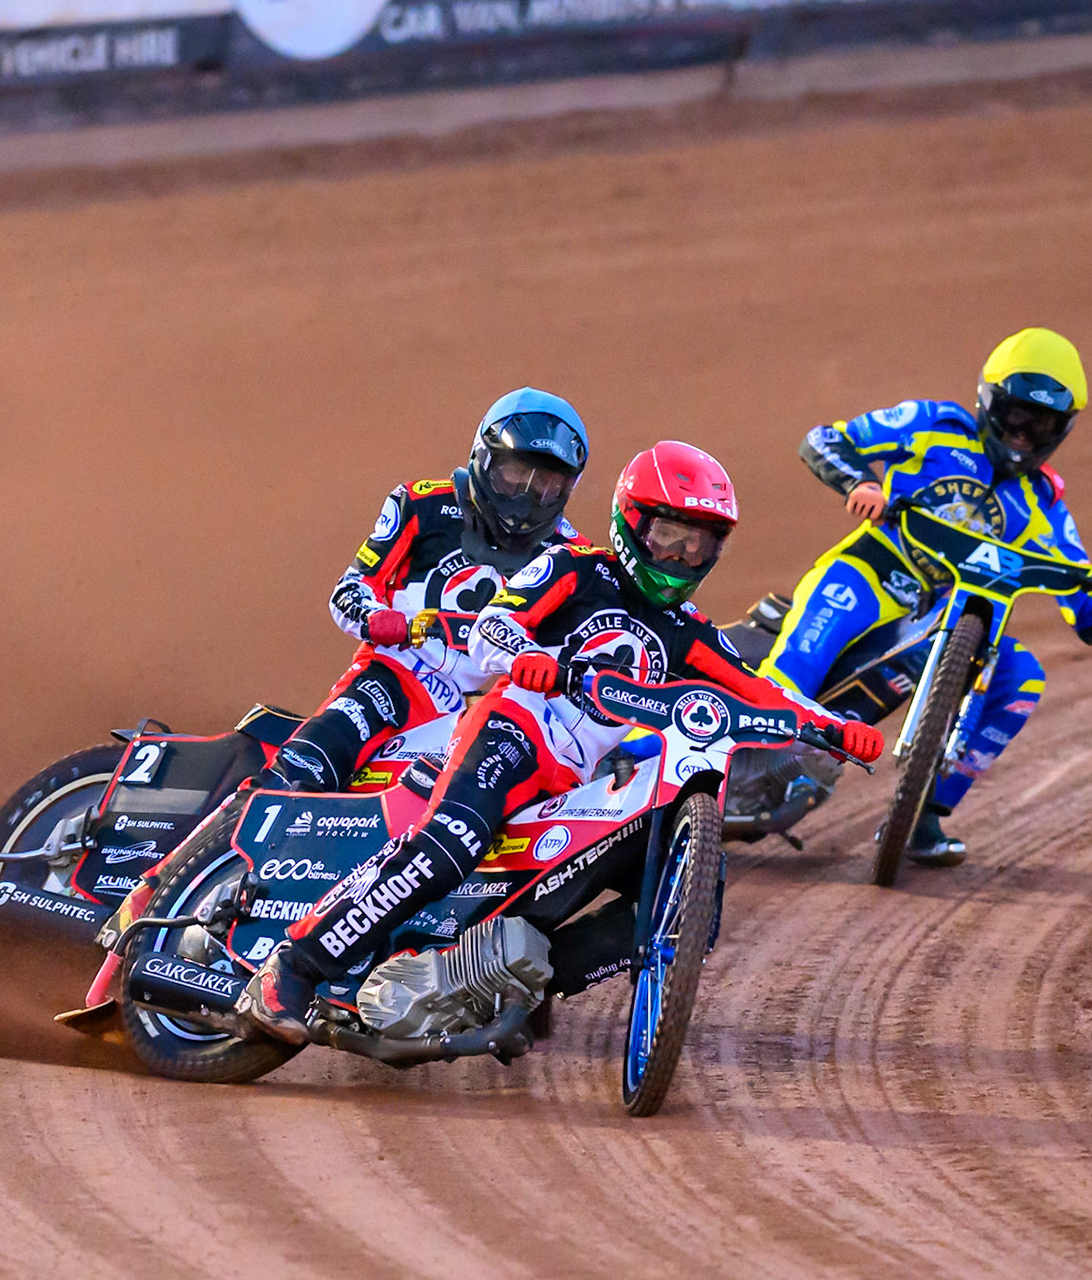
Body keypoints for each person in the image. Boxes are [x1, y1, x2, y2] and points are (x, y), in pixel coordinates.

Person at [237, 441, 883, 1044]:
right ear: (631, 523)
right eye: (668, 536)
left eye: (699, 545)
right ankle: (293, 968)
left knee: (686, 902)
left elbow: (761, 690)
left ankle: (512, 983)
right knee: (451, 844)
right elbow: (494, 624)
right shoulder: (575, 569)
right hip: (511, 731)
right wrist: (527, 657)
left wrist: (834, 730)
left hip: (577, 781)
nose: (681, 557)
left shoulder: (689, 632)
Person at [757, 328, 1092, 866]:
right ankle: (721, 771)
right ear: (989, 401)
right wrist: (858, 484)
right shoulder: (936, 424)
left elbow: (1086, 611)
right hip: (870, 572)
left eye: (1040, 425)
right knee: (800, 663)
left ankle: (922, 813)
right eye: (1014, 416)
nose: (1021, 436)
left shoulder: (1045, 504)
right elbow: (824, 439)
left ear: (1063, 429)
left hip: (951, 611)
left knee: (1022, 678)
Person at [254, 387, 592, 795]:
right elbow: (349, 588)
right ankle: (253, 808)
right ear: (484, 459)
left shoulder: (573, 555)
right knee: (312, 757)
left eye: (547, 484)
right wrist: (374, 618)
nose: (527, 495)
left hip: (495, 708)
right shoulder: (419, 504)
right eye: (517, 473)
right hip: (398, 676)